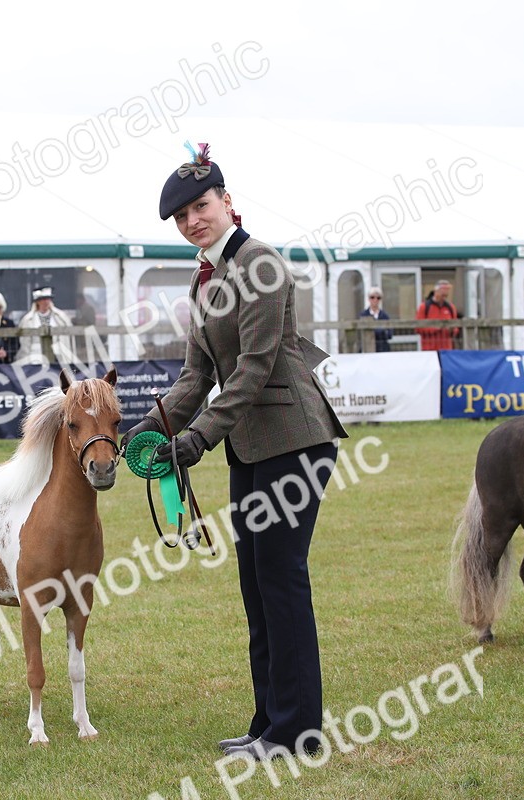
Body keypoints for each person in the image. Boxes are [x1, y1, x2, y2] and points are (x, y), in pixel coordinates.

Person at [121, 143, 347, 762]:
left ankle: (298, 733)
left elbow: (252, 370)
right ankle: (268, 723)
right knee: (257, 585)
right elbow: (196, 377)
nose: (194, 220)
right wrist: (140, 431)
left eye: (202, 206)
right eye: (182, 216)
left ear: (228, 202)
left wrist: (193, 441)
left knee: (281, 582)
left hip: (295, 443)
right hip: (250, 447)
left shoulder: (261, 264)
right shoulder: (205, 279)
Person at [16, 286, 74, 365]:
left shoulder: (61, 318)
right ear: (37, 301)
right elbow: (25, 345)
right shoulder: (28, 320)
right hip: (35, 361)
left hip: (58, 360)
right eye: (43, 299)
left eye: (48, 299)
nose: (46, 302)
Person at [415, 280, 459, 350]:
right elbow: (418, 328)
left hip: (446, 349)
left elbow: (456, 327)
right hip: (429, 349)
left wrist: (452, 330)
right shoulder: (424, 307)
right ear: (436, 291)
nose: (445, 296)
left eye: (446, 294)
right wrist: (437, 328)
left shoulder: (451, 307)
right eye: (443, 293)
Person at [357, 286, 392, 352]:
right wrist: (380, 331)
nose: (375, 300)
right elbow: (360, 334)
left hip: (382, 349)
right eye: (372, 297)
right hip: (367, 349)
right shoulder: (363, 315)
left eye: (378, 298)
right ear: (369, 299)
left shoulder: (385, 316)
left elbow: (390, 334)